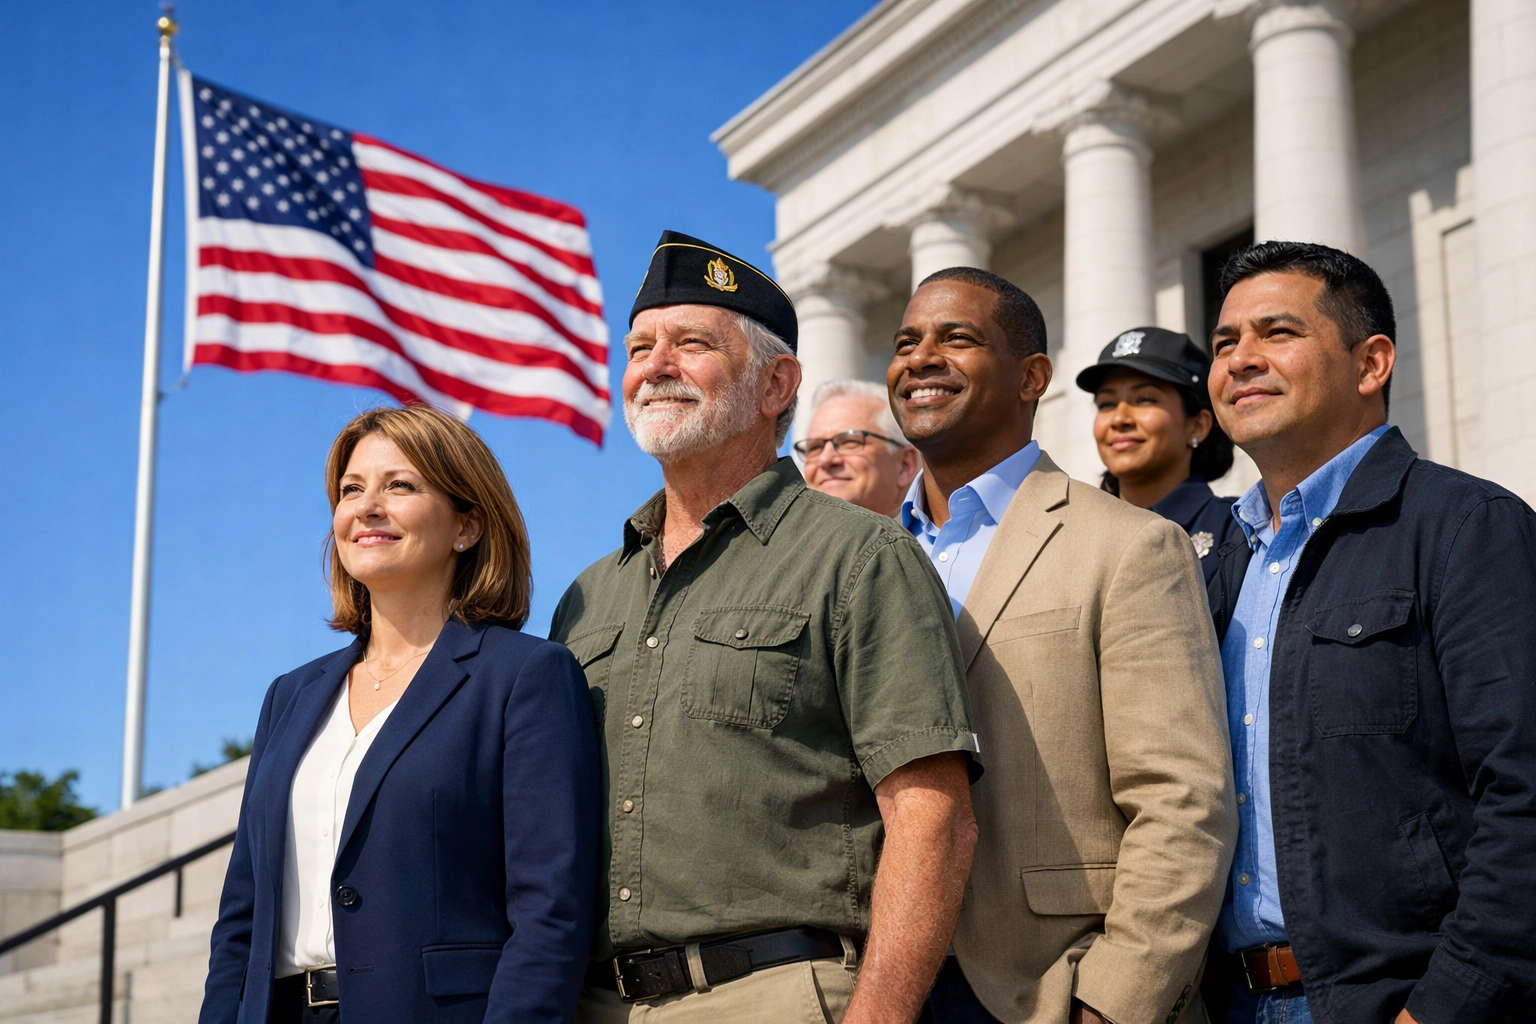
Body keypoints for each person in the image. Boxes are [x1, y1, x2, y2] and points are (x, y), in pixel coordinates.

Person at [550, 230, 980, 1024]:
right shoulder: (584, 598)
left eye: (690, 344)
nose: (655, 366)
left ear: (777, 383)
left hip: (775, 996)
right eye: (640, 346)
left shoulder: (860, 557)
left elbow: (933, 818)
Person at [888, 266, 1237, 1024]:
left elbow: (1182, 800)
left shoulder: (1132, 546)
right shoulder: (862, 559)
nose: (918, 357)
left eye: (956, 338)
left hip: (1052, 990)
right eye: (906, 341)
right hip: (885, 986)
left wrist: (1112, 1004)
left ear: (1031, 377)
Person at [1201, 241, 1536, 1024]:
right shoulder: (1217, 563)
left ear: (1371, 362)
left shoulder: (1463, 527)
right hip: (1231, 1002)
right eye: (1225, 343)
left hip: (1402, 1002)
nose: (1241, 359)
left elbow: (1524, 793)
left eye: (1276, 333)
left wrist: (1447, 1007)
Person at [200, 406, 600, 1024]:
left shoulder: (524, 676)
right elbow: (241, 916)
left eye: (400, 486)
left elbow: (550, 910)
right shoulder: (290, 695)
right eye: (351, 489)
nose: (366, 506)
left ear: (467, 526)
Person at [1076, 326, 1242, 581]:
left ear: (1197, 425)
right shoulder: (1076, 536)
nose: (1119, 418)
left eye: (1144, 399)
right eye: (1106, 404)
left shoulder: (1237, 531)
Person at [796, 378, 920, 516]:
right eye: (815, 448)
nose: (825, 459)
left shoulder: (940, 535)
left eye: (850, 442)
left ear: (904, 465)